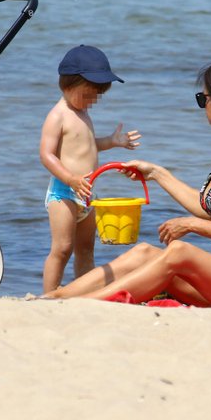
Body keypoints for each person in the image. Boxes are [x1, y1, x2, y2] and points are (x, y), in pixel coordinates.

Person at [44, 57, 211, 313]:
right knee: (145, 253)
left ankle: (83, 305)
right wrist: (157, 173)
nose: (202, 105)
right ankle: (54, 296)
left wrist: (189, 225)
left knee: (179, 251)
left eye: (202, 99)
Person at [39, 45, 141, 293]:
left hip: (87, 194)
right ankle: (49, 294)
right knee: (62, 248)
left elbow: (86, 146)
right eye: (88, 94)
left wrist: (112, 142)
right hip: (64, 192)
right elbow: (46, 154)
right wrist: (70, 178)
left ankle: (83, 290)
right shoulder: (58, 116)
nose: (93, 101)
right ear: (68, 85)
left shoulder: (82, 113)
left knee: (86, 249)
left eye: (97, 96)